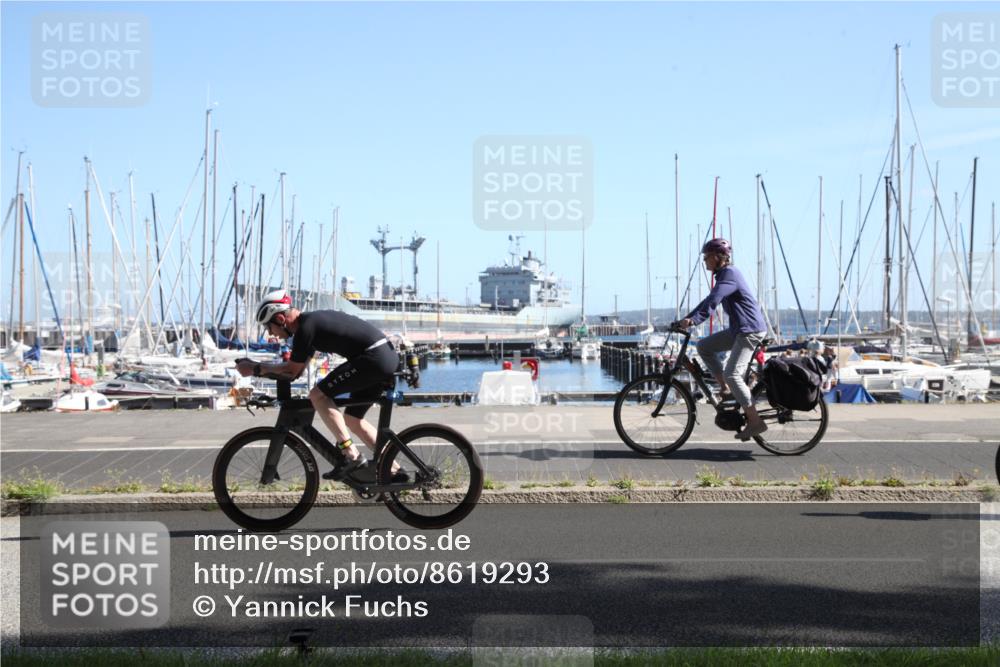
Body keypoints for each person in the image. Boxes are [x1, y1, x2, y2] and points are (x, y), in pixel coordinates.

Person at [235, 289, 406, 482]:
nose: (270, 334)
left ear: (281, 319)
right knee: (353, 420)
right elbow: (295, 372)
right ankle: (394, 471)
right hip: (381, 357)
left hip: (374, 358)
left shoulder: (306, 329)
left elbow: (291, 370)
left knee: (318, 395)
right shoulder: (309, 325)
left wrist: (255, 368)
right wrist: (258, 368)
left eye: (269, 327)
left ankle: (351, 456)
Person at [675, 238, 769, 440]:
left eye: (707, 256)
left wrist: (693, 321)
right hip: (739, 330)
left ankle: (755, 421)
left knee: (732, 374)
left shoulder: (730, 274)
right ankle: (725, 389)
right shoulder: (723, 276)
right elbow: (707, 300)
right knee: (704, 346)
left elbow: (714, 301)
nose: (705, 261)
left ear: (719, 257)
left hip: (750, 330)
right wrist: (686, 319)